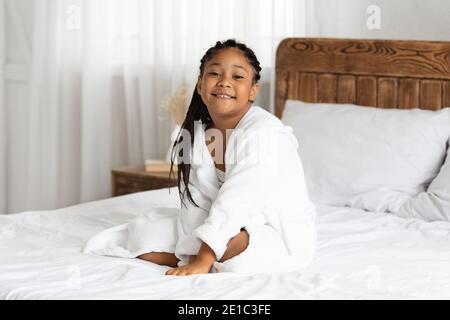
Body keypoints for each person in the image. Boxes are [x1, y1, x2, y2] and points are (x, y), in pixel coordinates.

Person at [136, 39, 317, 276]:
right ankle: (199, 251)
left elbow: (238, 200)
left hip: (270, 225)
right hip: (220, 220)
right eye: (214, 73)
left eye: (238, 77)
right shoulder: (196, 134)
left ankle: (207, 253)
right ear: (200, 85)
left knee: (240, 252)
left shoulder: (265, 133)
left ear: (253, 90)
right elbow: (195, 201)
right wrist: (193, 254)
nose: (224, 82)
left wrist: (201, 260)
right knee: (142, 235)